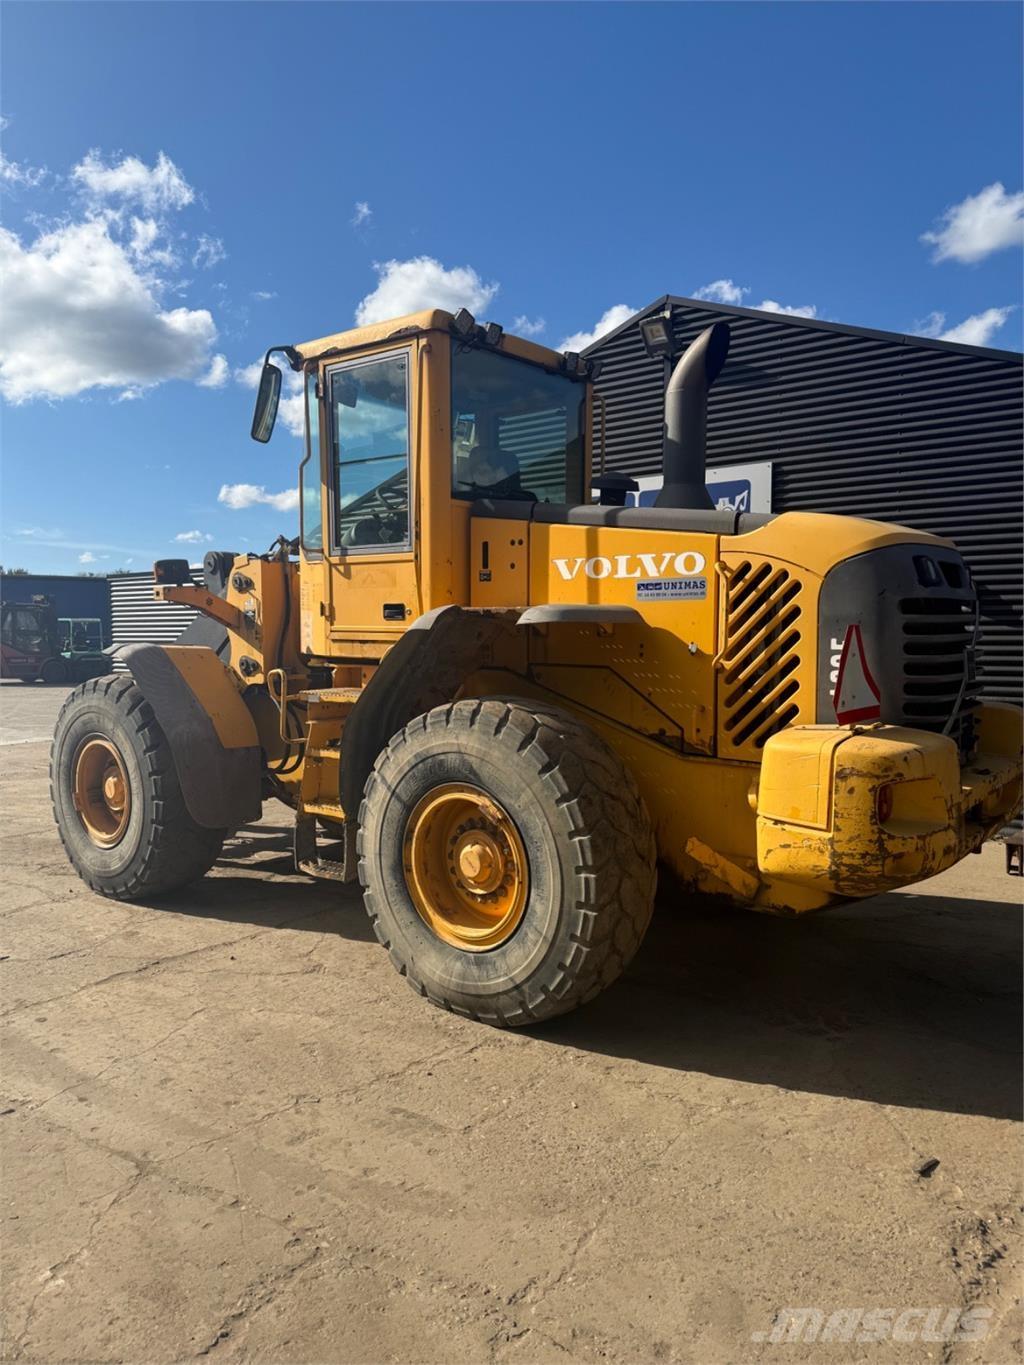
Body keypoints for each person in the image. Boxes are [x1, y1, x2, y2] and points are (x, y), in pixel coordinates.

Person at [466, 444, 537, 503]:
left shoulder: (526, 502)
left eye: (483, 472)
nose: (475, 475)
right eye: (475, 471)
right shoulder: (466, 499)